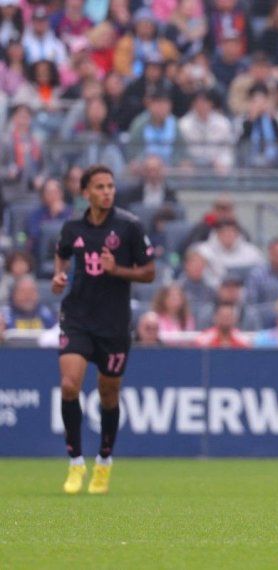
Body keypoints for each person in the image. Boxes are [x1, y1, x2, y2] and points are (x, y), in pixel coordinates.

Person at [52, 164, 156, 495]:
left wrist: (118, 269)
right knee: (69, 385)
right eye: (99, 187)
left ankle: (104, 461)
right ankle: (75, 463)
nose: (107, 192)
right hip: (78, 316)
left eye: (110, 186)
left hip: (113, 324)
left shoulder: (129, 226)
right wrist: (59, 275)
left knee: (108, 393)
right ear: (86, 193)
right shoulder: (72, 228)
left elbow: (150, 272)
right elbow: (62, 253)